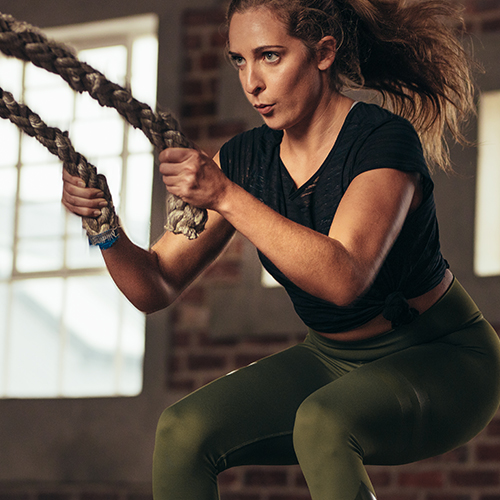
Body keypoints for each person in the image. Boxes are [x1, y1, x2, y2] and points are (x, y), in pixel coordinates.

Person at [61, 0, 500, 499]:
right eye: (239, 60)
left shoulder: (382, 142)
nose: (251, 83)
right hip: (333, 357)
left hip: (444, 359)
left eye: (270, 56)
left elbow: (345, 278)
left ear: (323, 53)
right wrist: (104, 227)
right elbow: (155, 283)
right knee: (183, 430)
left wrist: (225, 195)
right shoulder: (244, 160)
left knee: (322, 421)